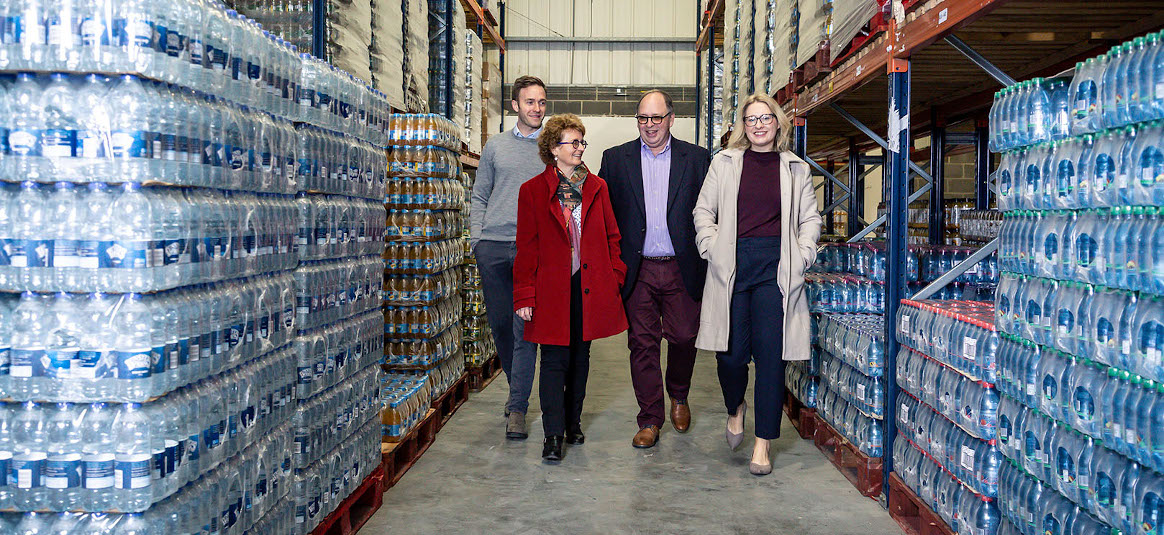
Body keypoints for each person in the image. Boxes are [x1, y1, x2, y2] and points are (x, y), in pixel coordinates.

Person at [692, 93, 822, 476]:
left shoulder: (795, 168)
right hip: (731, 265)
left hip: (776, 270)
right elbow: (703, 210)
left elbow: (810, 219)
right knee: (730, 355)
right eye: (751, 119)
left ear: (777, 123)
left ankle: (763, 443)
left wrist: (802, 255)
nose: (759, 125)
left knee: (770, 358)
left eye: (766, 118)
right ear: (742, 126)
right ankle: (736, 407)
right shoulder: (725, 163)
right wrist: (711, 248)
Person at [598, 90, 710, 449]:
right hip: (639, 268)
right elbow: (604, 214)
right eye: (643, 119)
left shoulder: (697, 159)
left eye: (656, 118)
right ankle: (649, 418)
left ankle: (679, 394)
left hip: (682, 265)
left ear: (671, 119)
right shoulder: (616, 160)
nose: (649, 126)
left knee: (684, 337)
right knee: (642, 345)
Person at [513, 114, 628, 463]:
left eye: (582, 142)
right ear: (553, 148)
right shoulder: (532, 191)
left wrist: (615, 278)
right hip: (550, 288)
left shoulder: (597, 187)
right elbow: (527, 247)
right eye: (572, 142)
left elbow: (612, 237)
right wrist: (524, 295)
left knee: (581, 358)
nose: (579, 148)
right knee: (553, 361)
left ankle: (573, 423)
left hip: (589, 285)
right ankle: (552, 434)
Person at [470, 75, 548, 440]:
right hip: (494, 247)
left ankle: (516, 408)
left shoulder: (552, 149)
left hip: (533, 252)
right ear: (515, 106)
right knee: (501, 326)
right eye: (530, 102)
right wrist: (477, 241)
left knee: (524, 331)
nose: (537, 108)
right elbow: (480, 195)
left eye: (542, 102)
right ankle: (517, 391)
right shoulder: (495, 147)